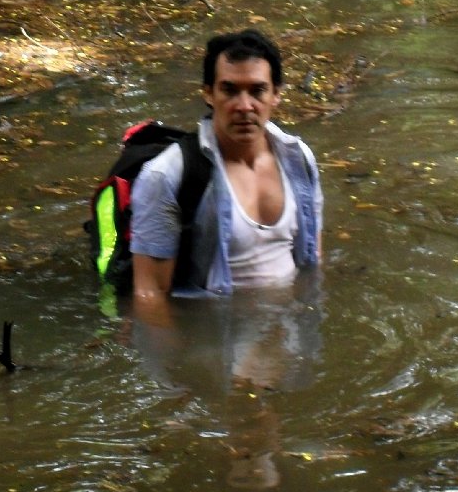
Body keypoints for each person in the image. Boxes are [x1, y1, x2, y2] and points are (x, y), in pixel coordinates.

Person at [131, 29, 323, 314]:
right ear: (208, 94)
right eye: (230, 90)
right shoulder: (167, 175)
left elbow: (314, 257)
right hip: (217, 337)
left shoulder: (299, 160)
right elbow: (150, 295)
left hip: (288, 329)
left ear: (276, 95)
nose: (244, 106)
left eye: (257, 91)